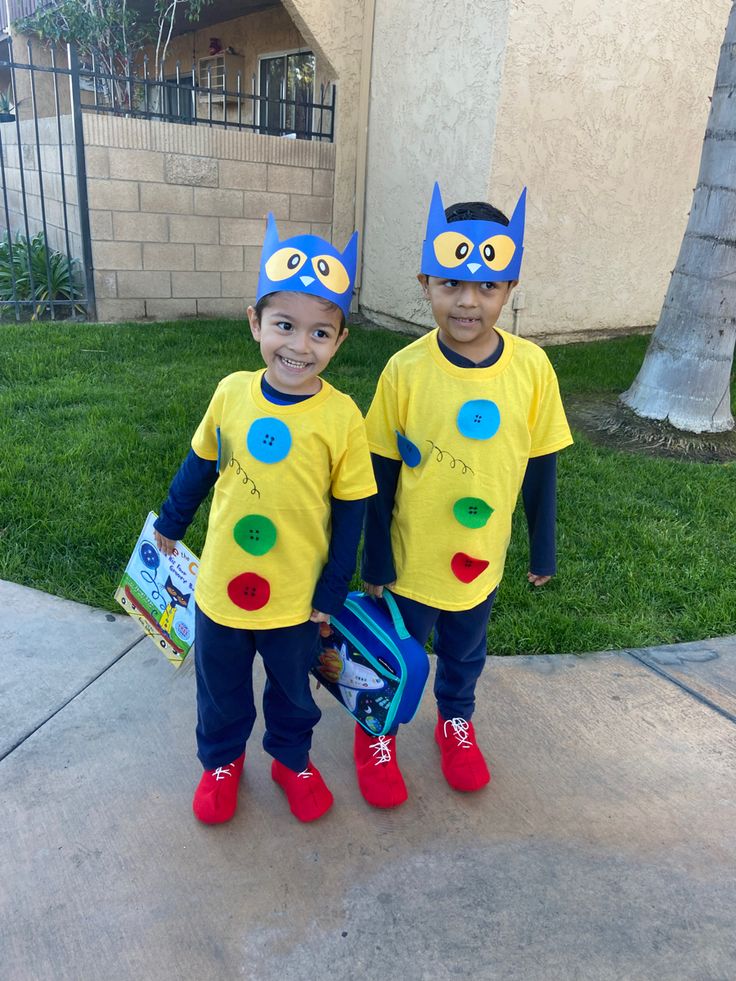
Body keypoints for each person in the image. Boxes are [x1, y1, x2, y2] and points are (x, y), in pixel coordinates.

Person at [153, 215, 376, 824]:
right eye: (284, 326)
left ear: (339, 340)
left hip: (296, 596)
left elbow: (353, 510)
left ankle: (291, 758)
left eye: (320, 333)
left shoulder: (343, 417)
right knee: (220, 688)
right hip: (222, 587)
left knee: (292, 691)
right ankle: (221, 761)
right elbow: (198, 465)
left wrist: (332, 590)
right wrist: (170, 526)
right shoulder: (230, 393)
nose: (299, 347)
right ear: (255, 323)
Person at [357, 183, 573, 808]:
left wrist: (544, 550)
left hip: (481, 556)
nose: (468, 301)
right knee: (394, 655)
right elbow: (380, 471)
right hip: (411, 559)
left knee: (465, 652)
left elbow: (540, 468)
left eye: (487, 287)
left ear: (509, 290)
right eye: (451, 284)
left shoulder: (533, 370)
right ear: (426, 282)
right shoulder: (405, 370)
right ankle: (378, 731)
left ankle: (456, 722)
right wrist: (375, 561)